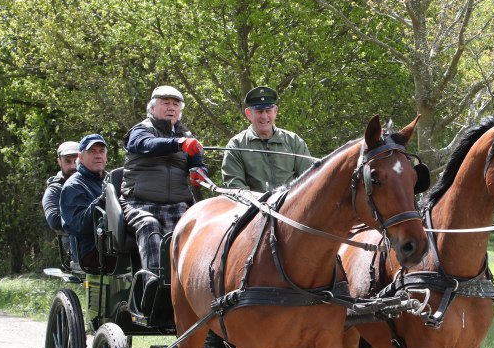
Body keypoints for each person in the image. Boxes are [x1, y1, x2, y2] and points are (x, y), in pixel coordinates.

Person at [120, 85, 208, 289]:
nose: (171, 108)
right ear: (152, 108)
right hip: (140, 202)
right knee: (149, 225)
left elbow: (197, 163)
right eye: (165, 103)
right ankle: (155, 285)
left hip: (177, 204)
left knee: (197, 229)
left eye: (175, 104)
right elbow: (147, 145)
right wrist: (179, 143)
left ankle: (195, 284)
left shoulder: (187, 134)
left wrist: (199, 172)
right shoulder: (140, 131)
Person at [221, 86, 312, 192]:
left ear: (275, 111)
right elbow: (235, 187)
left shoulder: (294, 141)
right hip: (254, 206)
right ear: (248, 114)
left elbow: (310, 178)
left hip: (292, 206)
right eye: (259, 111)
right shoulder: (236, 145)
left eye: (268, 110)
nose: (264, 116)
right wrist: (262, 205)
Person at [59, 134, 112, 271]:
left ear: (106, 156)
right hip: (90, 251)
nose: (98, 155)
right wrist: (103, 199)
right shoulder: (73, 186)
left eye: (101, 151)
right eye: (92, 151)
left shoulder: (111, 179)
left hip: (113, 244)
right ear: (80, 157)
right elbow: (80, 225)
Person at [41, 140, 80, 232]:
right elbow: (55, 221)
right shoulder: (55, 190)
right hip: (71, 243)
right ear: (59, 162)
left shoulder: (96, 180)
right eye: (67, 161)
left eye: (76, 161)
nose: (73, 166)